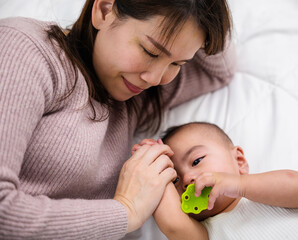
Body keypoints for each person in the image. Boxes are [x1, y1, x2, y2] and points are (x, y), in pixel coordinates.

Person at [0, 0, 236, 238]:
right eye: (150, 51)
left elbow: (218, 68)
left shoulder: (135, 98)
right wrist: (126, 211)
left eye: (177, 63)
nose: (155, 78)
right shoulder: (23, 49)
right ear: (104, 10)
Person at [131, 122, 298, 239]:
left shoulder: (263, 193)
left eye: (197, 161)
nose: (187, 178)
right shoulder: (203, 234)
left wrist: (238, 185)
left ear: (239, 160)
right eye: (175, 179)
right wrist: (152, 163)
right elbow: (172, 225)